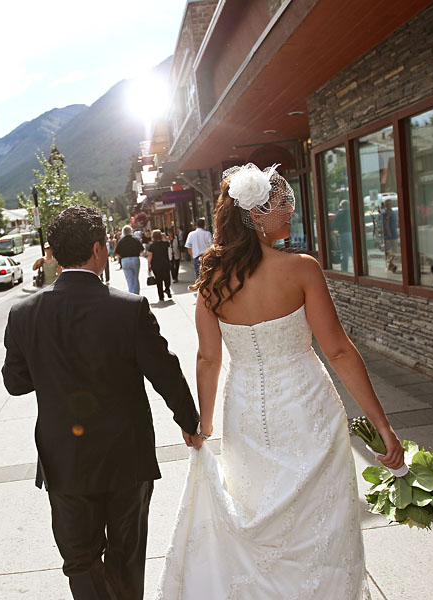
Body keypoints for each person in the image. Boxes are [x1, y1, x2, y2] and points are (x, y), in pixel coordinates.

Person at [157, 164, 404, 599]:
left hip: (245, 412)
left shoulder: (212, 282)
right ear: (255, 214)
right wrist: (382, 425)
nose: (290, 210)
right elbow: (338, 351)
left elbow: (208, 359)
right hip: (308, 408)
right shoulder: (302, 269)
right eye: (280, 204)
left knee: (259, 517)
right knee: (323, 521)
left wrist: (205, 424)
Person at [2, 206, 199, 600]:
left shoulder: (24, 313)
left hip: (64, 459)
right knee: (126, 557)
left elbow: (15, 383)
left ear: (55, 254)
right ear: (97, 249)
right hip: (126, 455)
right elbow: (165, 372)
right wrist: (189, 421)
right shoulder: (129, 308)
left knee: (79, 559)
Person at [115, 225, 144, 294]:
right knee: (135, 277)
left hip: (125, 260)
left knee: (129, 279)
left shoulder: (121, 241)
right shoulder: (135, 239)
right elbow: (142, 250)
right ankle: (137, 294)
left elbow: (117, 253)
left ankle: (132, 293)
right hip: (135, 258)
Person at [147, 229, 172, 302]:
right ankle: (167, 288)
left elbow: (149, 256)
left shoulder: (151, 245)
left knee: (159, 280)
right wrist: (165, 236)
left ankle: (161, 296)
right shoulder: (165, 243)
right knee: (167, 277)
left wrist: (148, 265)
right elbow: (170, 241)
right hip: (165, 263)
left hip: (156, 265)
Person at [332, 199, 352, 273]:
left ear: (342, 206)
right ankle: (358, 270)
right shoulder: (351, 213)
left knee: (344, 254)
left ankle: (344, 271)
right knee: (353, 253)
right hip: (351, 234)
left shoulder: (340, 215)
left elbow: (333, 225)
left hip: (343, 235)